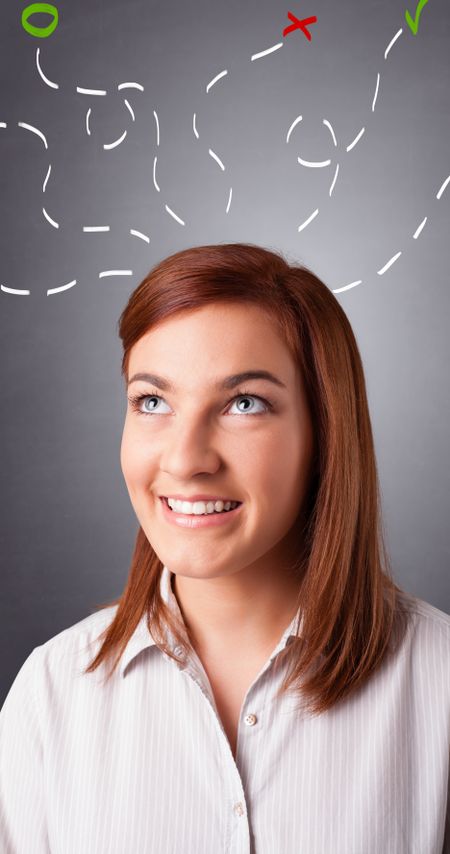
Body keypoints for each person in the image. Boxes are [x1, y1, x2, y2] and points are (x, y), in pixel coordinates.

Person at [0, 242, 449, 853]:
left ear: (325, 434)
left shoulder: (439, 686)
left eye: (244, 404)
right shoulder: (49, 697)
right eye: (152, 401)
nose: (186, 460)